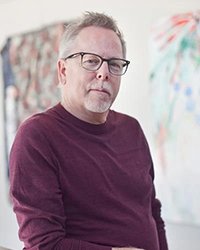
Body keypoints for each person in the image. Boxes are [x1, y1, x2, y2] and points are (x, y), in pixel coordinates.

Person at [9, 11, 168, 250]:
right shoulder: (37, 136)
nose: (104, 72)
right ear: (63, 71)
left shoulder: (131, 128)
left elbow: (152, 212)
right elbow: (44, 244)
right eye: (91, 60)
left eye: (114, 64)